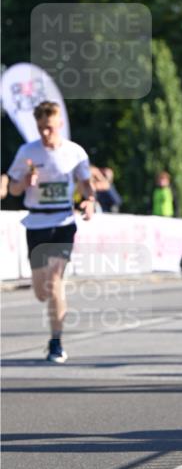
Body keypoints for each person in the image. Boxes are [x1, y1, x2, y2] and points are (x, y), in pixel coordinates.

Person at [7, 101, 95, 363]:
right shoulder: (27, 151)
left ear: (59, 124)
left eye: (49, 128)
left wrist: (89, 202)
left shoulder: (75, 152)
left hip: (63, 221)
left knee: (55, 280)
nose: (44, 133)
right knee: (41, 291)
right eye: (40, 128)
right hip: (36, 223)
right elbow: (12, 189)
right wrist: (23, 182)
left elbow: (87, 185)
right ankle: (51, 317)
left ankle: (56, 341)